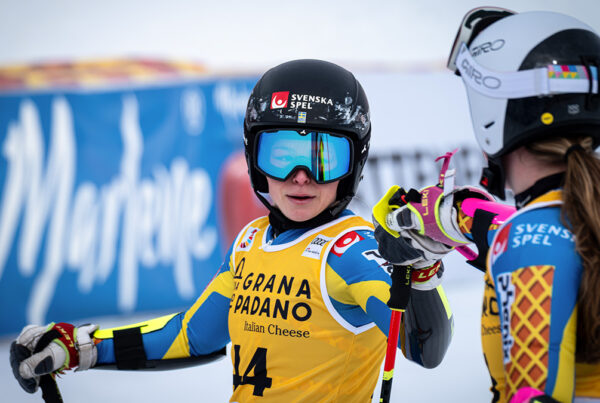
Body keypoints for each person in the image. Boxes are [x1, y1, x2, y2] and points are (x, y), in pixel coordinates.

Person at [10, 59, 454, 402]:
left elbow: (424, 349)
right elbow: (191, 336)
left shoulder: (352, 251)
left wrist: (419, 272)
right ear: (253, 159)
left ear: (354, 164)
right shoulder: (250, 242)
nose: (301, 177)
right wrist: (83, 347)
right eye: (281, 155)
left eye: (324, 158)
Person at [374, 8, 600, 403]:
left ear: (494, 113)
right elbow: (543, 239)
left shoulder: (525, 243)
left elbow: (533, 396)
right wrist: (454, 215)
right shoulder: (572, 219)